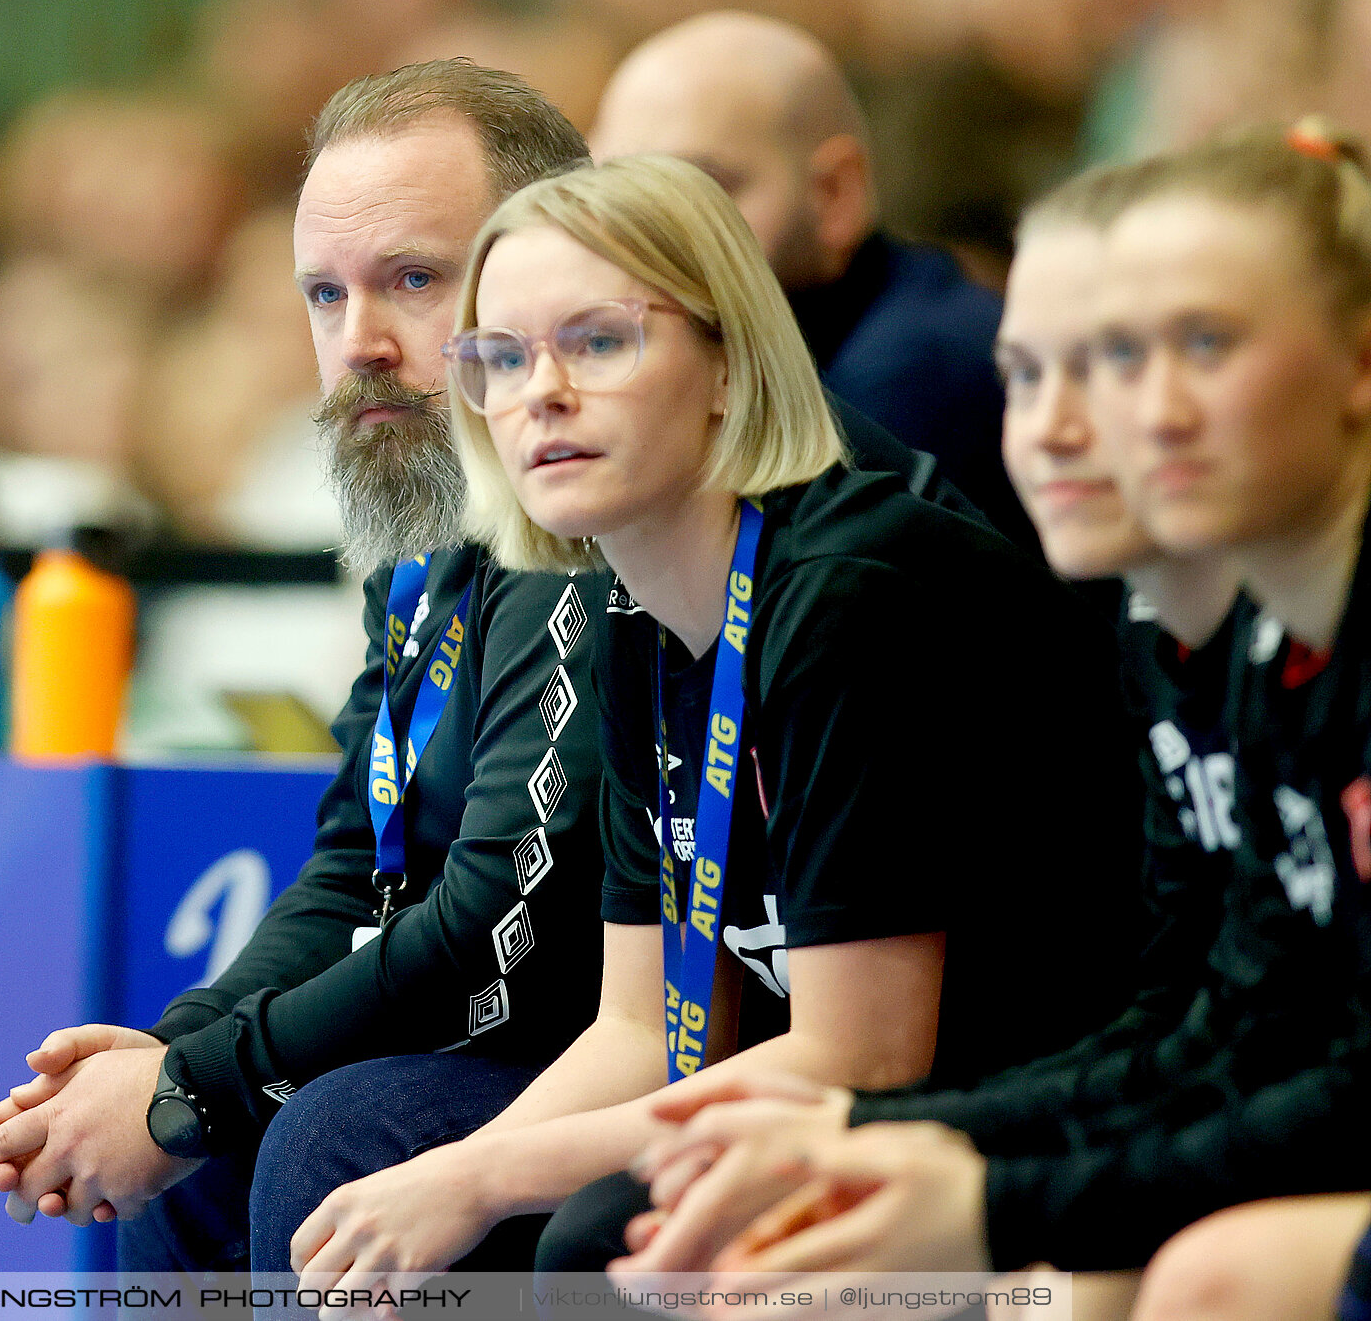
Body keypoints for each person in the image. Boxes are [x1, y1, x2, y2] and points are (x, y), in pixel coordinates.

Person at [284, 154, 1143, 1292]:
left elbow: (862, 1060)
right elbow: (644, 1032)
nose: (540, 391)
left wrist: (483, 1181)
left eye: (597, 342)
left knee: (591, 1238)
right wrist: (462, 1174)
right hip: (867, 1108)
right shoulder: (637, 611)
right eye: (500, 357)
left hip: (1055, 1115)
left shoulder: (850, 592)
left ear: (729, 366)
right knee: (384, 1172)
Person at [615, 119, 1371, 1300]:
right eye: (1038, 371)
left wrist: (981, 1191)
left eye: (1201, 346)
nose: (1102, 420)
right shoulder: (1196, 641)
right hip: (1204, 1115)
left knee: (1193, 1275)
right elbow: (1214, 1025)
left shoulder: (862, 589)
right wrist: (904, 1142)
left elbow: (1324, 1071)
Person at [0, 60, 610, 1271]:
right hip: (524, 1041)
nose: (360, 342)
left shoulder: (587, 534)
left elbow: (489, 924)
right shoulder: (423, 534)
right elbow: (357, 862)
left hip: (632, 1047)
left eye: (413, 279)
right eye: (323, 294)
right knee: (203, 1161)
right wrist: (170, 1053)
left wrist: (193, 1086)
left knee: (322, 1138)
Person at [588, 10, 1030, 549]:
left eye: (696, 192)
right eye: (616, 196)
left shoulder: (908, 378)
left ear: (833, 194)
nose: (642, 239)